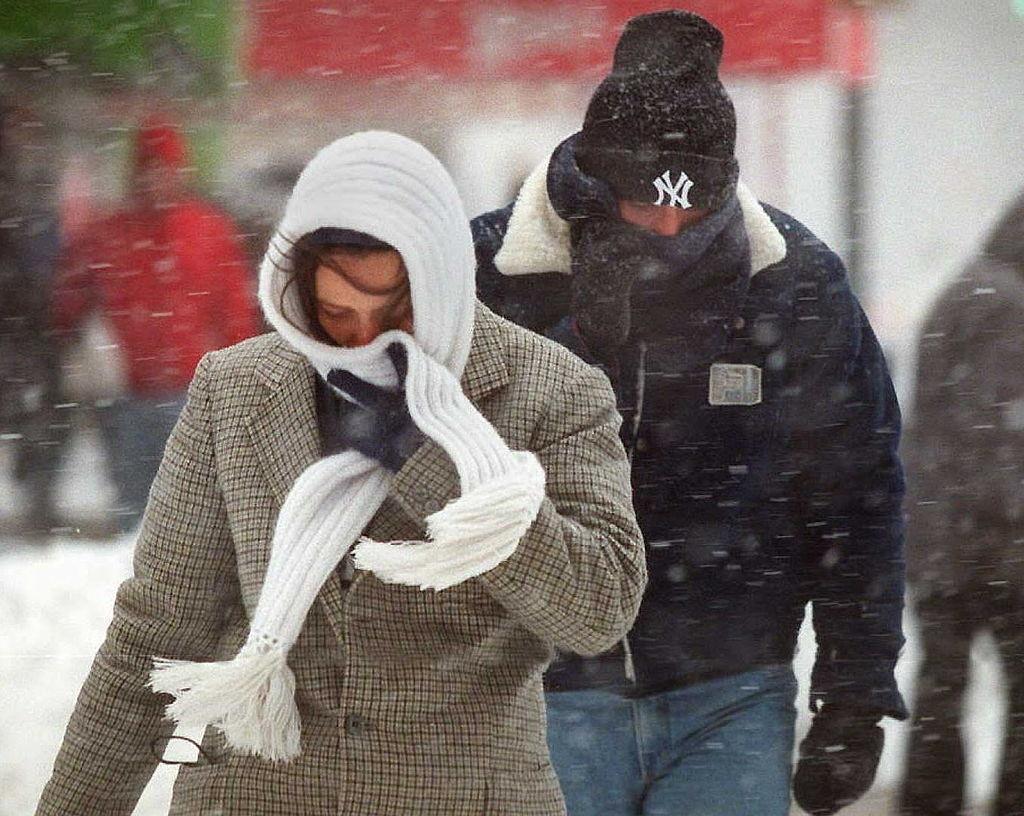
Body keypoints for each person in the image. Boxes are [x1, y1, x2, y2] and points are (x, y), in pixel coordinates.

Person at [36, 130, 646, 816]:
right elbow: (156, 633)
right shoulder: (235, 392)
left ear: (442, 280)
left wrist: (432, 461)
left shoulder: (552, 389)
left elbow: (599, 608)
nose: (365, 344)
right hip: (259, 797)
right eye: (335, 316)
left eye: (397, 315)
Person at [473, 10, 907, 816]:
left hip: (733, 694)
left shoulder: (794, 283)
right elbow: (411, 478)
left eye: (693, 206)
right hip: (535, 691)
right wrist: (573, 331)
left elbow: (859, 494)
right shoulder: (492, 274)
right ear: (596, 180)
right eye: (646, 204)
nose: (671, 227)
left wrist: (855, 689)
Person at [51, 114, 259, 533]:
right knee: (133, 508)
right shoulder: (111, 231)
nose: (154, 179)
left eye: (163, 168)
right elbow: (69, 299)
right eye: (147, 168)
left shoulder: (207, 230)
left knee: (185, 513)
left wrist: (237, 382)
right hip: (126, 396)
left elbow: (235, 312)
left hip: (187, 392)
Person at [899, 190, 1024, 816]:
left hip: (939, 533)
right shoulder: (1008, 305)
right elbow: (995, 434)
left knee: (942, 686)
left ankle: (930, 803)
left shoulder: (964, 291)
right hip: (995, 542)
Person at [0, 100, 65, 538]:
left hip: (30, 324)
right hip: (24, 323)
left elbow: (47, 254)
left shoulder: (34, 189)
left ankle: (35, 498)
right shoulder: (29, 191)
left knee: (38, 416)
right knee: (34, 413)